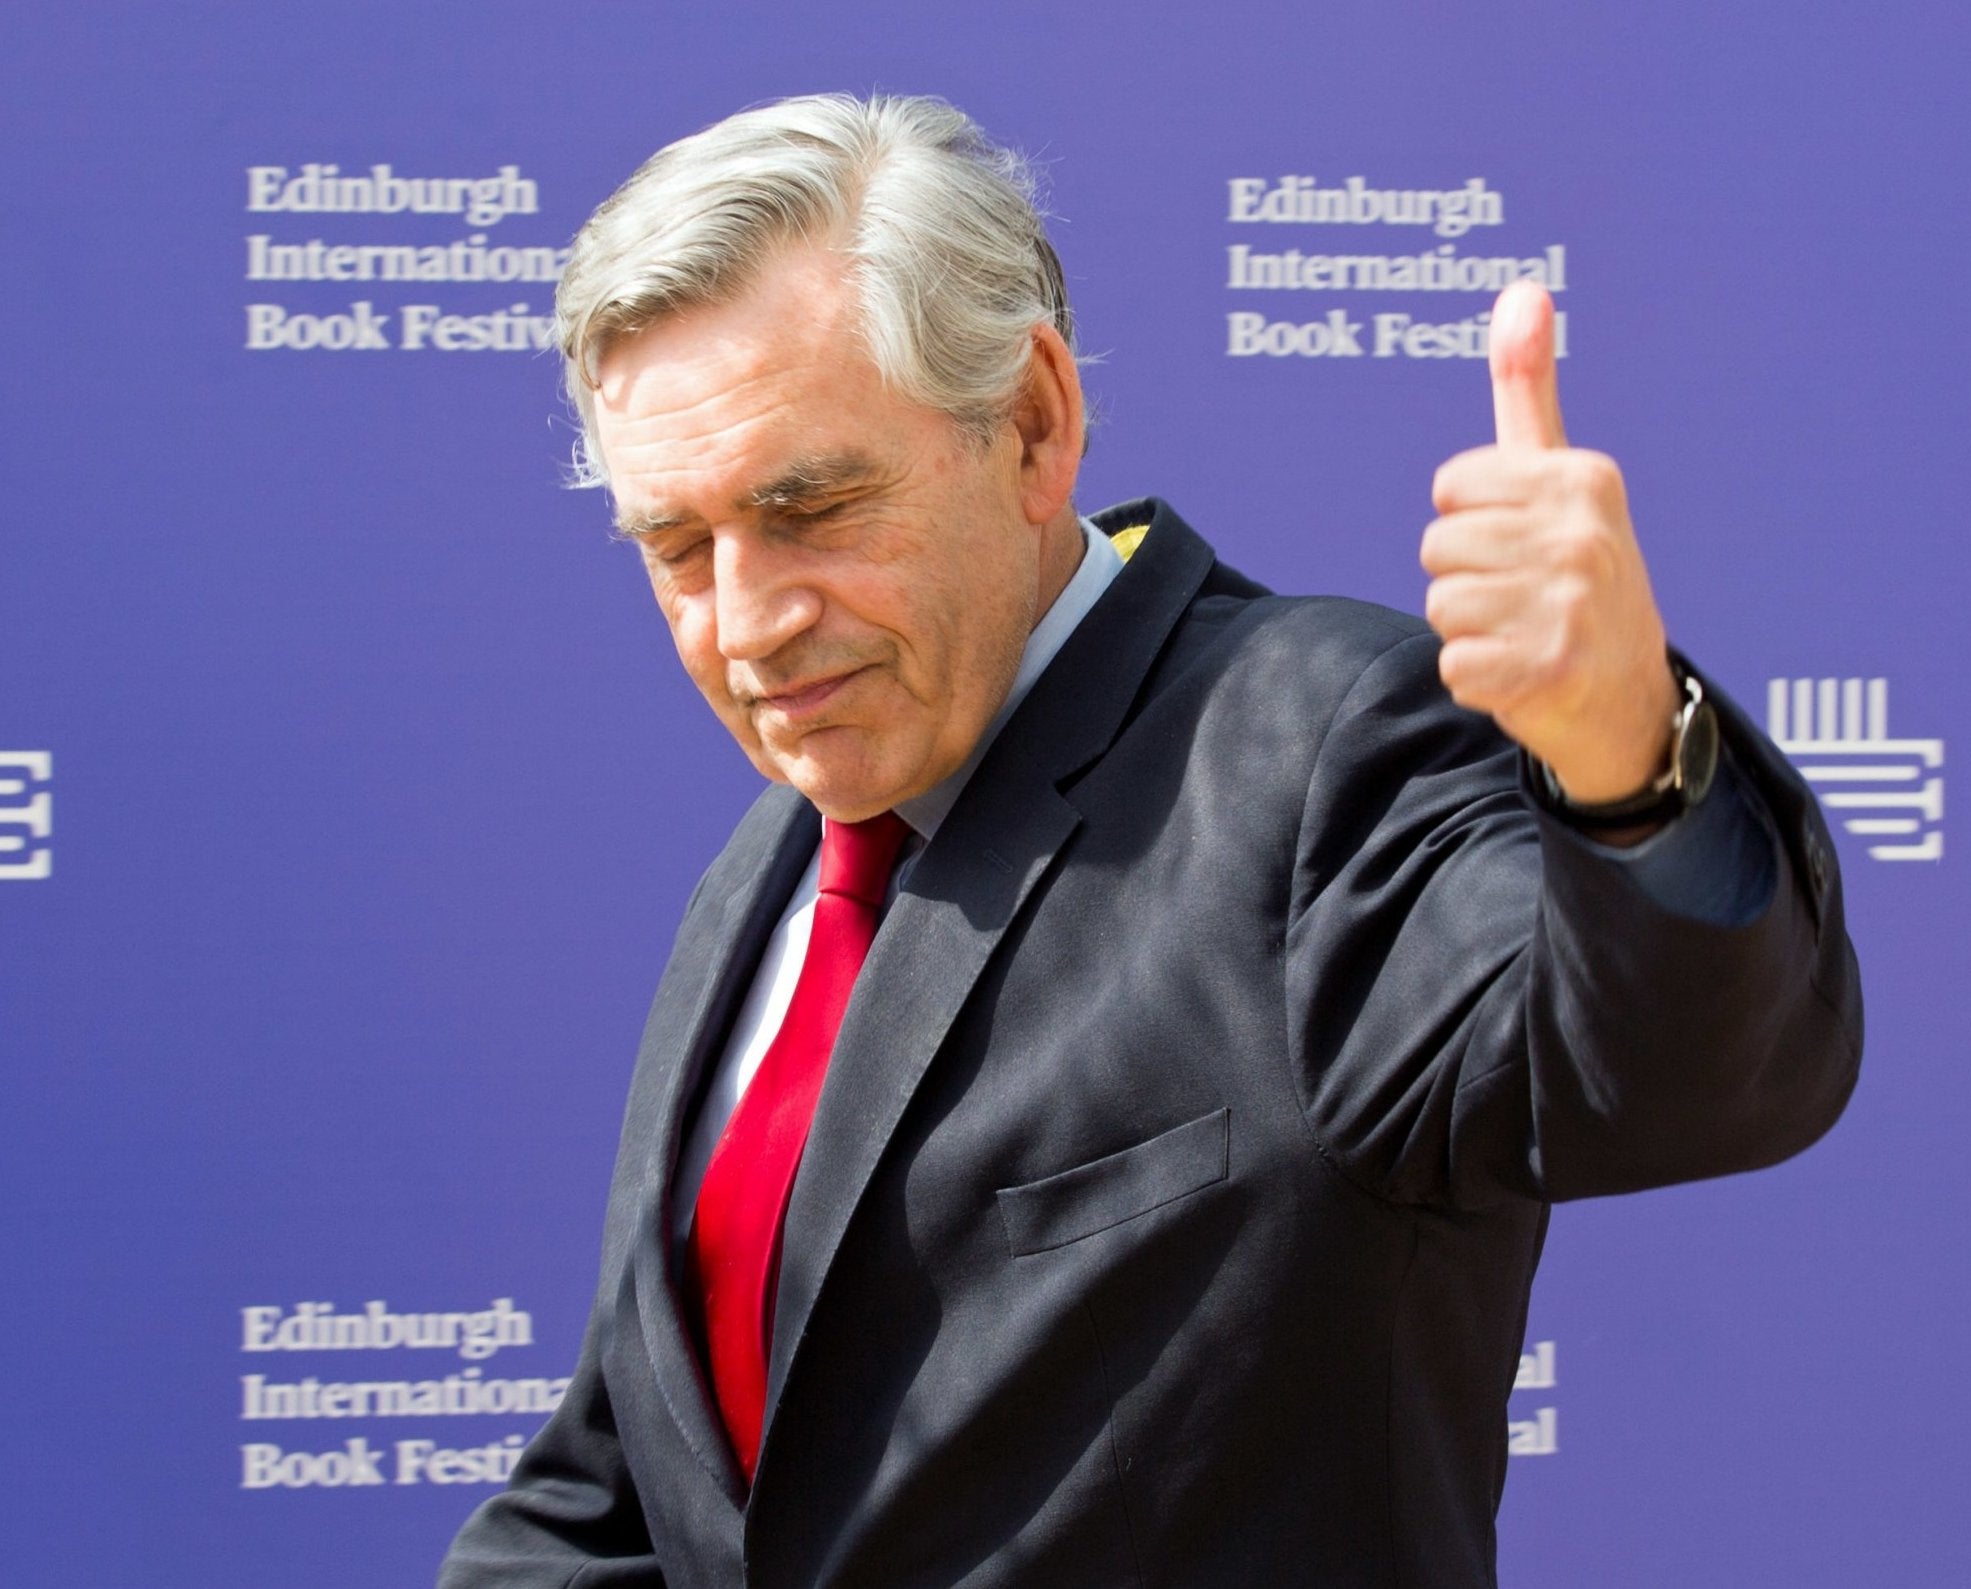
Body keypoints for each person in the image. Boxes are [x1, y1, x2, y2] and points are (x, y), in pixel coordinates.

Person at [439, 93, 1860, 1587]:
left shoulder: (1314, 744)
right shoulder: (767, 878)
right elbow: (629, 1494)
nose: (746, 623)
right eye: (678, 546)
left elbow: (1694, 1072)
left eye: (816, 505)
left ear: (1034, 421)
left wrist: (1626, 757)